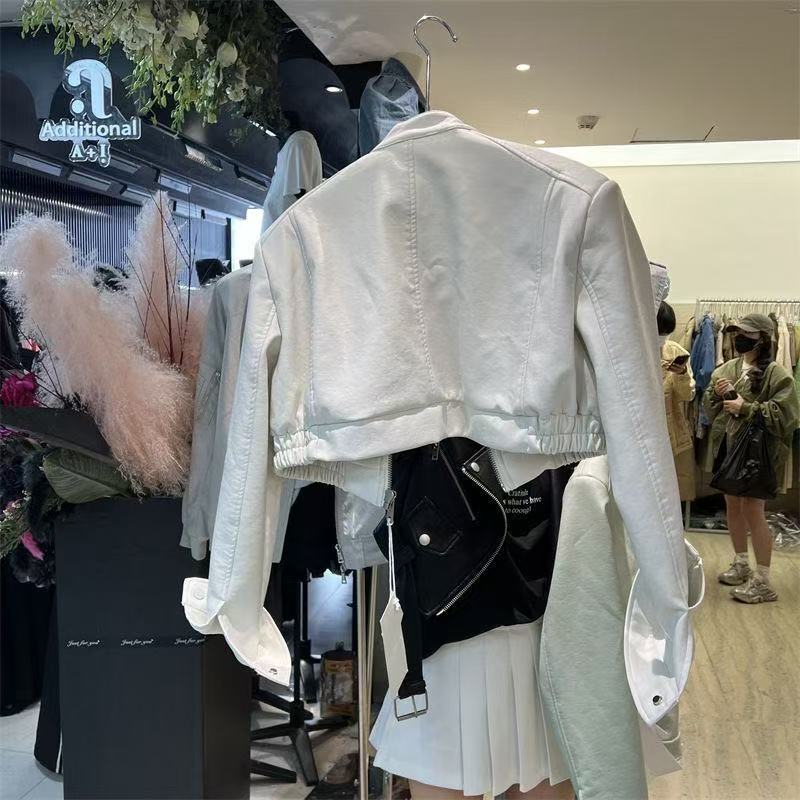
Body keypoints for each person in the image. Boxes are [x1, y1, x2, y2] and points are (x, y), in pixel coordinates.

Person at [704, 313, 799, 603]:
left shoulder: (777, 375)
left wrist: (746, 407)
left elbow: (787, 417)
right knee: (732, 505)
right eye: (736, 332)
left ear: (763, 338)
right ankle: (741, 562)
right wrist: (716, 393)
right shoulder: (729, 368)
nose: (739, 338)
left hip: (759, 453)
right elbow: (710, 410)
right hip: (729, 448)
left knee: (753, 510)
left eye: (747, 334)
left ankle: (763, 581)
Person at [657, 302, 696, 500]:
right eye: (659, 333)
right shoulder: (630, 352)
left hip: (671, 430)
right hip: (638, 430)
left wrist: (681, 375)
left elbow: (688, 395)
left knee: (671, 489)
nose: (663, 339)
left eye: (666, 333)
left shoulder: (674, 351)